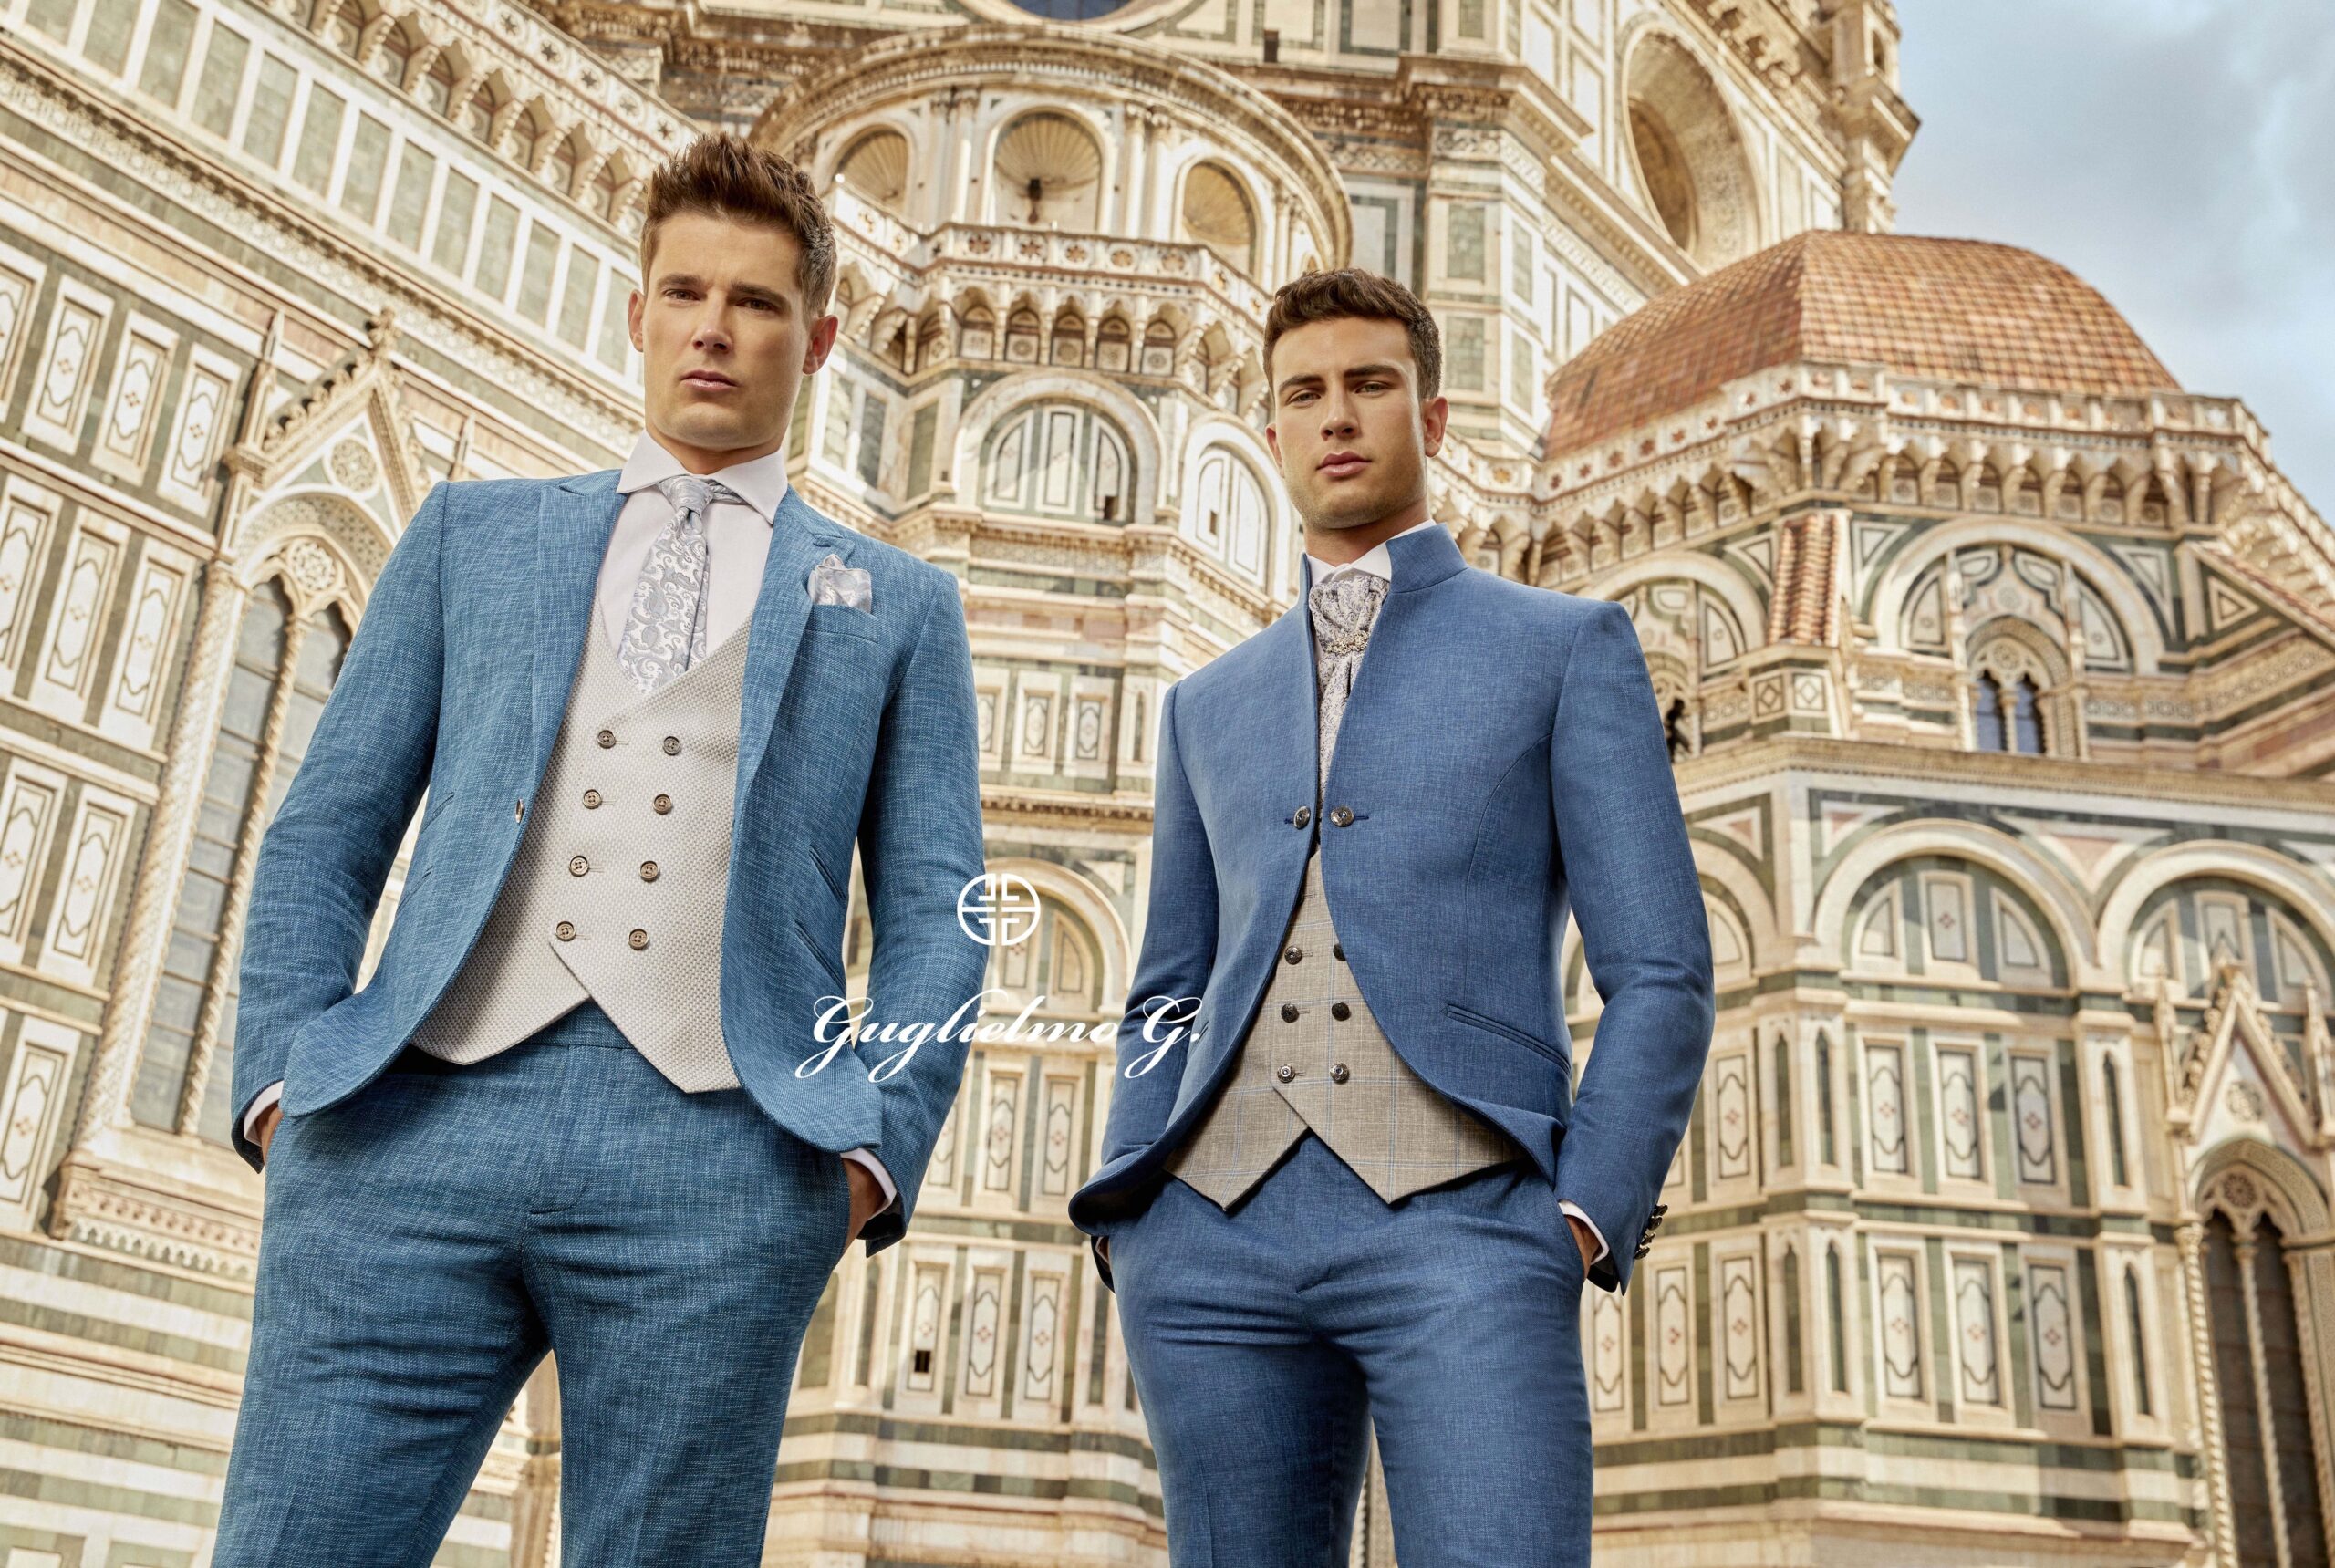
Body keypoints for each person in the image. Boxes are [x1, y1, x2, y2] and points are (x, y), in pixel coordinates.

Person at [213, 134, 987, 1565]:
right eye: (684, 292)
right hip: (404, 1129)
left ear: (817, 339)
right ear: (637, 311)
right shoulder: (472, 536)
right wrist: (282, 1078)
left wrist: (870, 1148)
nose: (713, 328)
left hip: (723, 1161)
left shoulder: (899, 604)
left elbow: (943, 910)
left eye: (755, 302)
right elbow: (325, 831)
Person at [1066, 268, 1715, 1565]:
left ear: (1433, 414)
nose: (1338, 415)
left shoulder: (1564, 646)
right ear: (1271, 432)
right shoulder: (1205, 703)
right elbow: (1169, 985)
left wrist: (1584, 1212)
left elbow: (1661, 968)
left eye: (1370, 384)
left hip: (1470, 1229)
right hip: (1206, 1242)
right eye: (1304, 393)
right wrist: (1133, 1199)